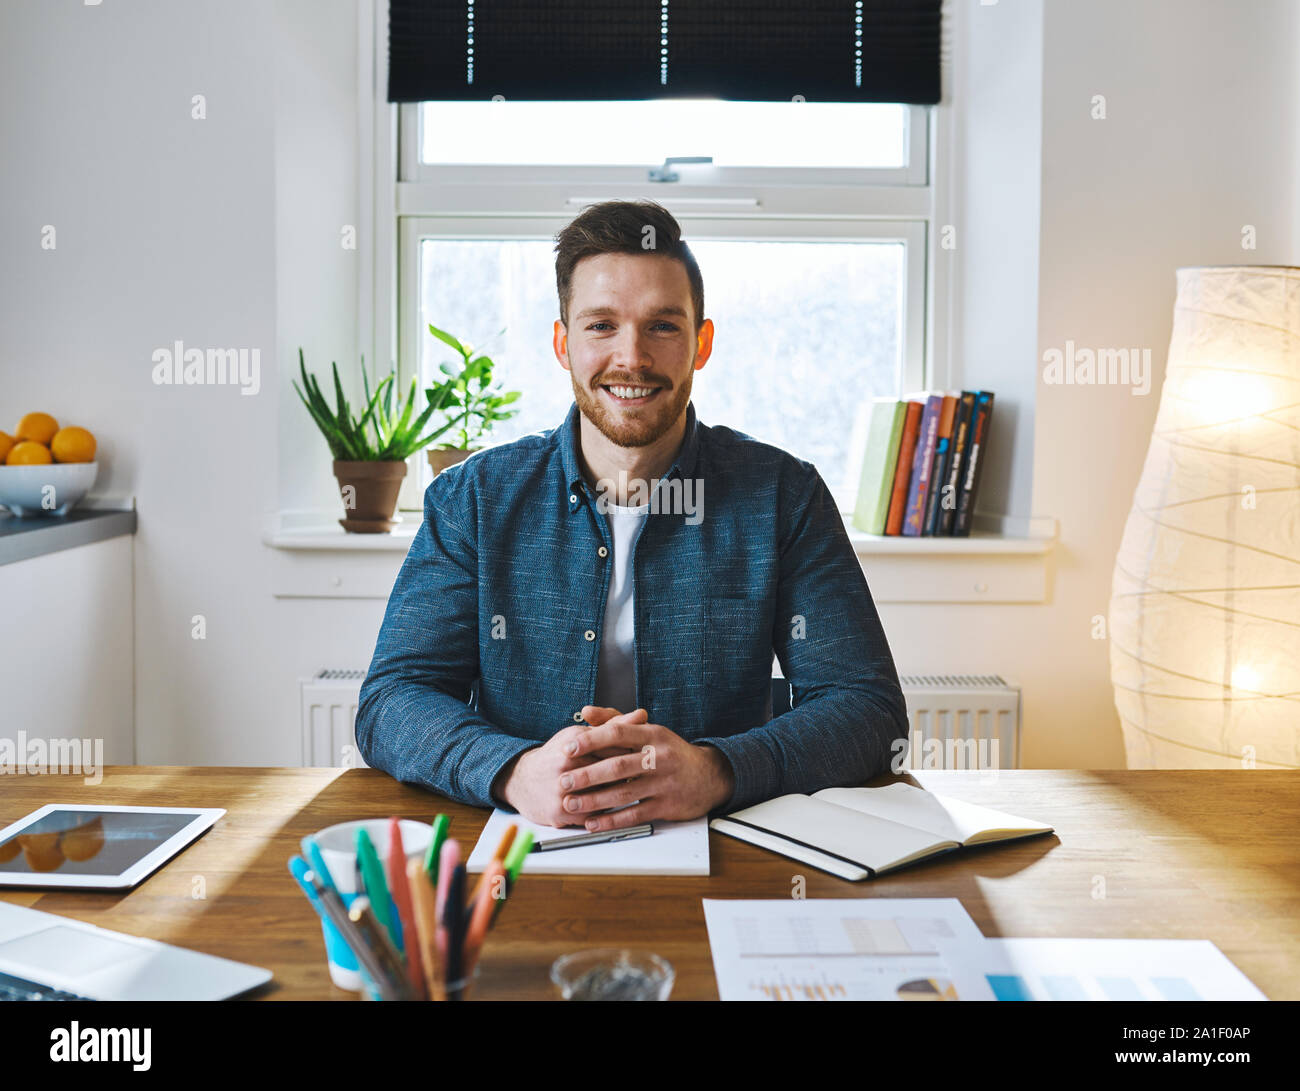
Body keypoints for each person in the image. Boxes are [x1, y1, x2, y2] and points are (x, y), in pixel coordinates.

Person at [356, 198, 908, 831]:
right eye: (601, 326)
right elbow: (392, 699)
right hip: (523, 843)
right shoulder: (473, 499)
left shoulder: (785, 495)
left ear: (702, 343)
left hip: (727, 846)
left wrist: (717, 770)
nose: (633, 358)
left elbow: (867, 707)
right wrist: (514, 771)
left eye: (663, 326)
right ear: (563, 343)